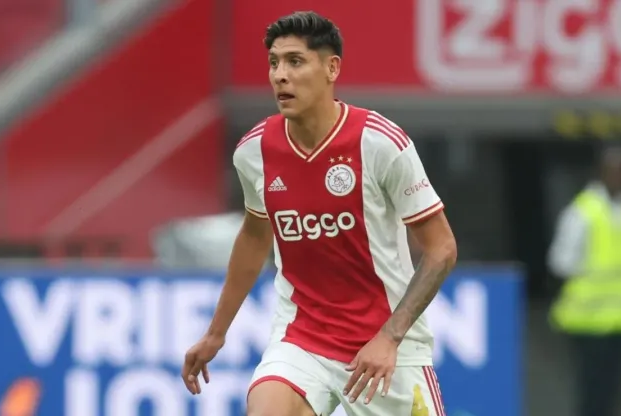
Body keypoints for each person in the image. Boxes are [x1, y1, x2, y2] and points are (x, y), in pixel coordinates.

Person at [181, 11, 457, 416]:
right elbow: (256, 237)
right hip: (302, 341)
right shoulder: (254, 152)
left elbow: (442, 250)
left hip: (386, 348)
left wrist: (390, 337)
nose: (279, 75)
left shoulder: (379, 143)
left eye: (295, 61)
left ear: (332, 68)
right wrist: (215, 334)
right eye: (274, 62)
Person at [548, 146, 621, 416]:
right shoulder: (584, 211)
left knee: (610, 392)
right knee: (591, 392)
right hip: (588, 321)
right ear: (601, 173)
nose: (620, 177)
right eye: (614, 171)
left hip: (620, 321)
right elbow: (560, 261)